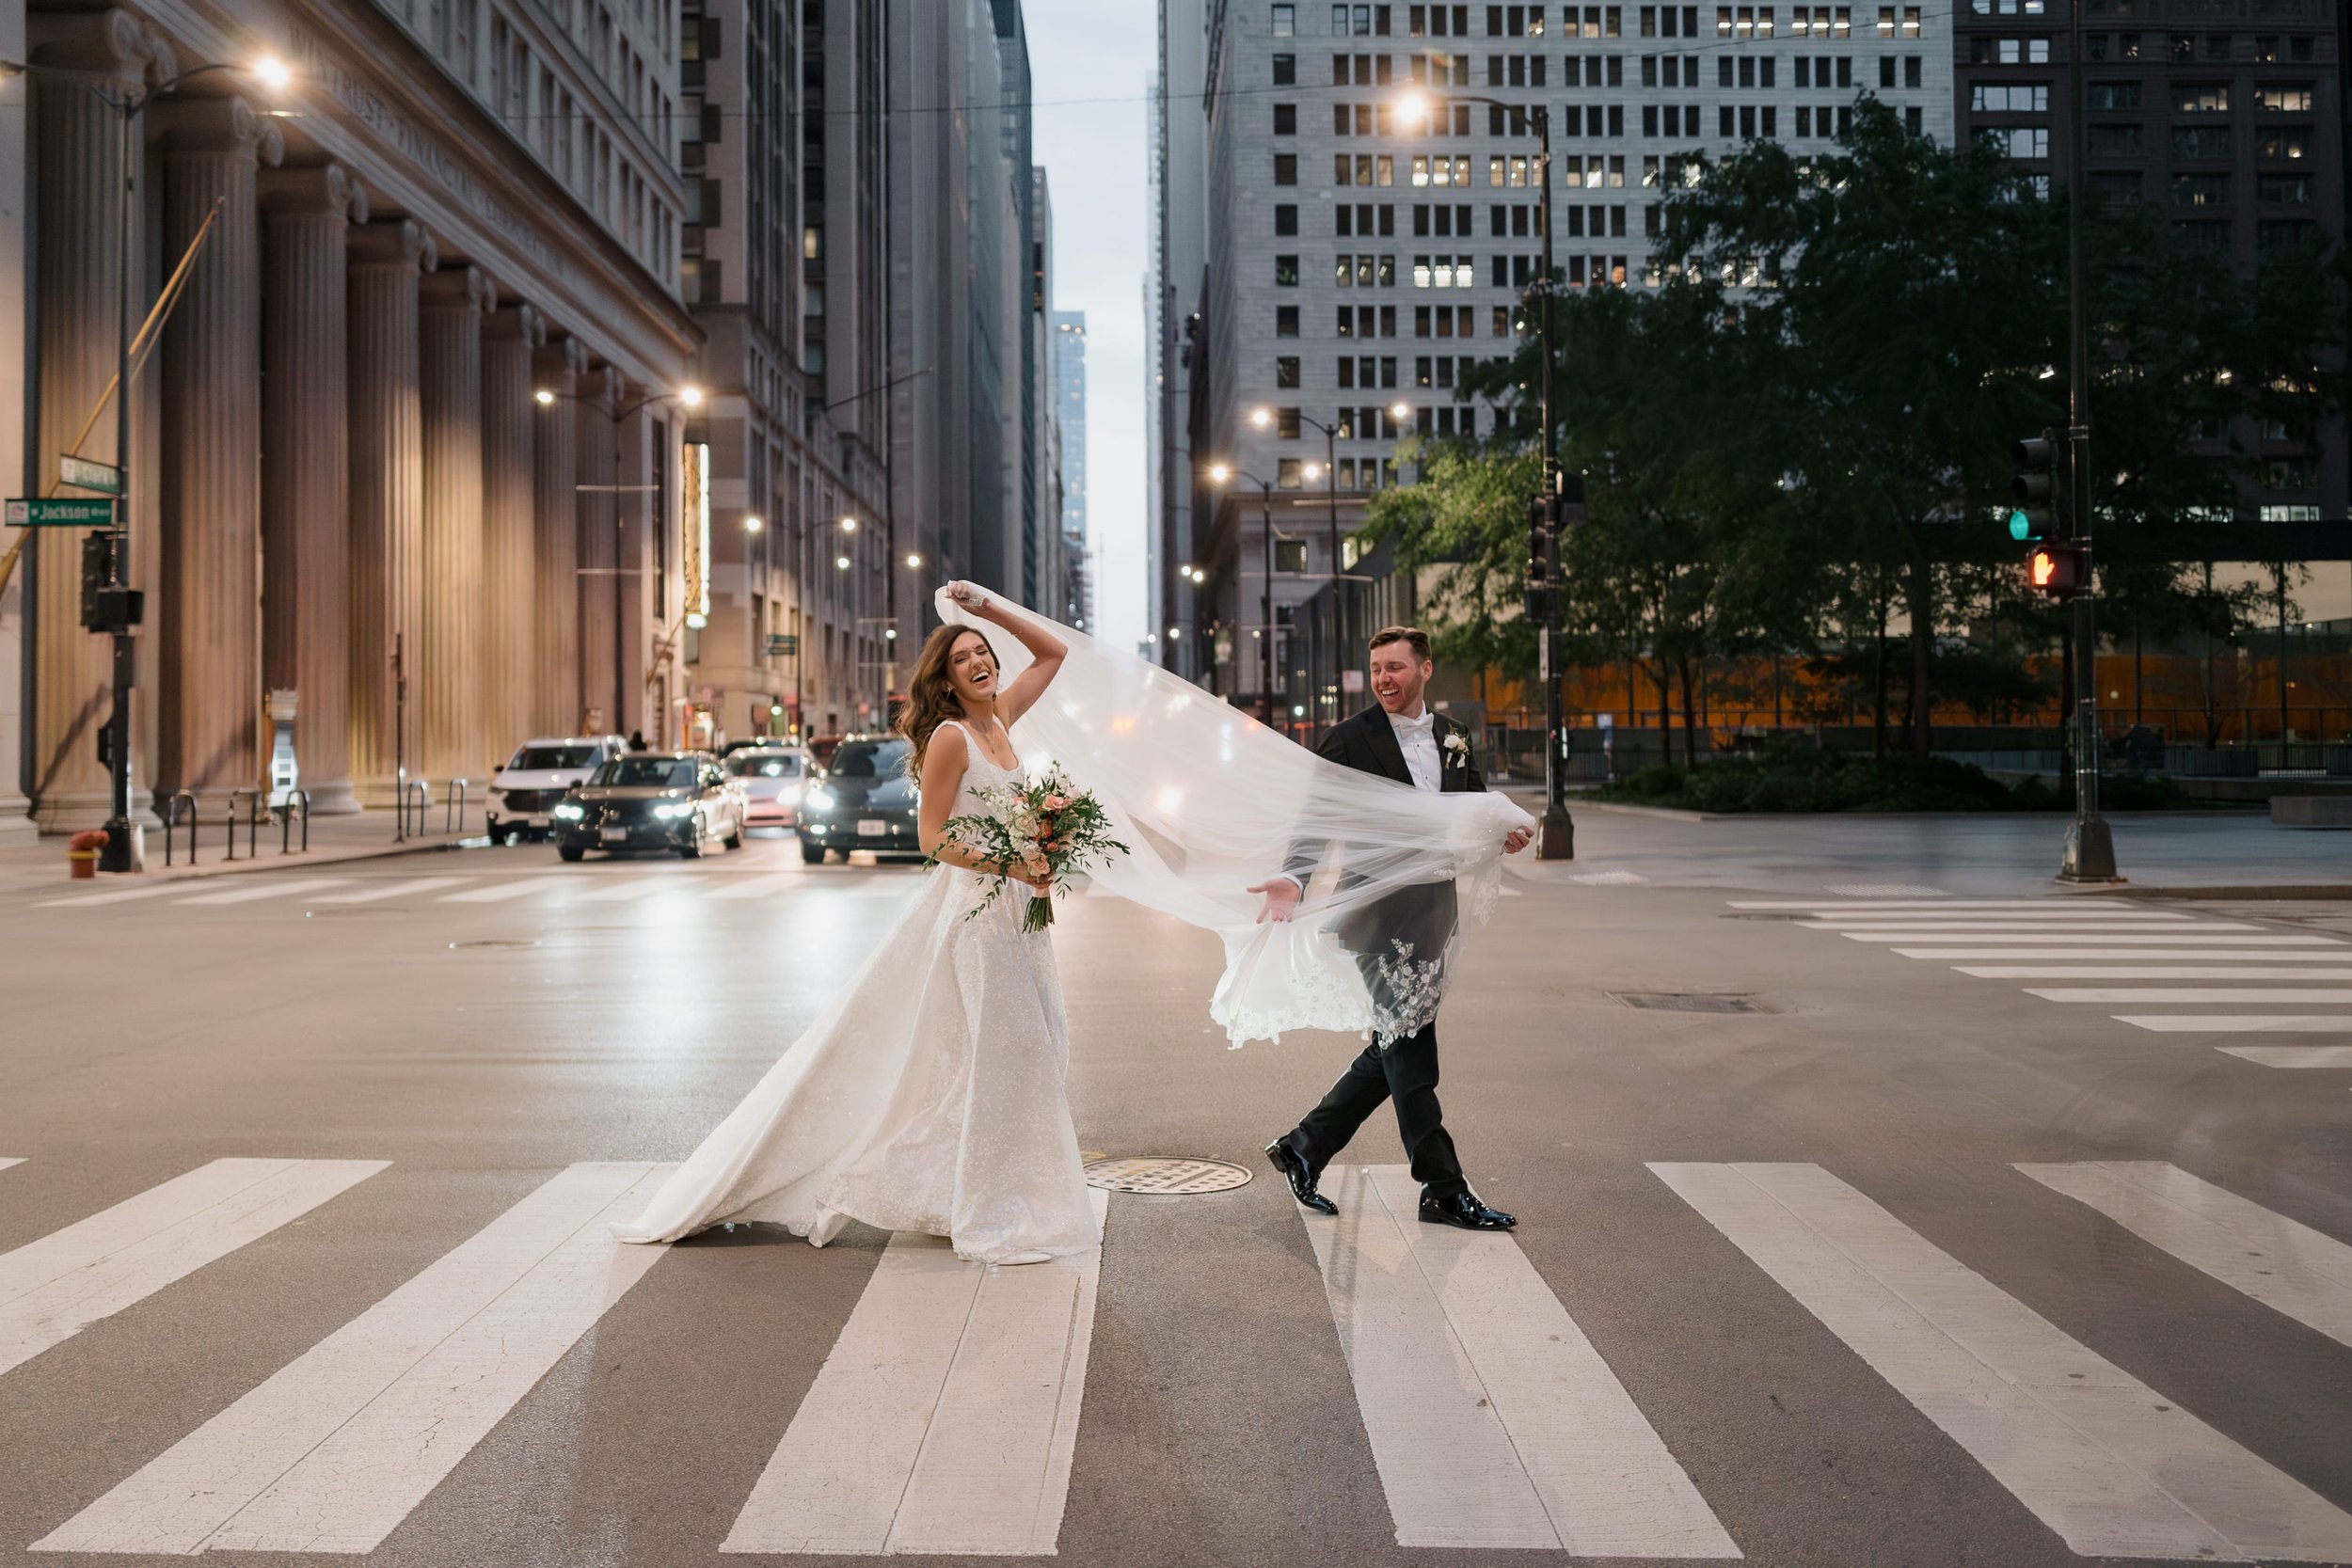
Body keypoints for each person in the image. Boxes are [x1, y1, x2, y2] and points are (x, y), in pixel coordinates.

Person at [612, 583, 1097, 1266]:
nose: (979, 663)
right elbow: (932, 837)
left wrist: (986, 611)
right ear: (946, 681)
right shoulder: (953, 738)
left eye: (983, 653)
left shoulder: (1003, 720)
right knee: (1003, 1056)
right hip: (979, 919)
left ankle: (980, 1184)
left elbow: (1054, 653)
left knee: (1033, 1046)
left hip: (1020, 916)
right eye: (962, 659)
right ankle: (982, 1200)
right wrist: (1014, 863)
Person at [1248, 626, 1533, 1230]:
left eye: (1396, 667)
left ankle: (1304, 1146)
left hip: (1433, 913)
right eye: (1377, 668)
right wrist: (1294, 878)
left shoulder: (1455, 736)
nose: (1384, 679)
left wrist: (1501, 834)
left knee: (1394, 1045)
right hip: (1379, 916)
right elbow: (1315, 818)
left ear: (1425, 669)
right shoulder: (1350, 739)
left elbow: (1471, 804)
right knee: (1412, 1051)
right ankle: (1443, 1187)